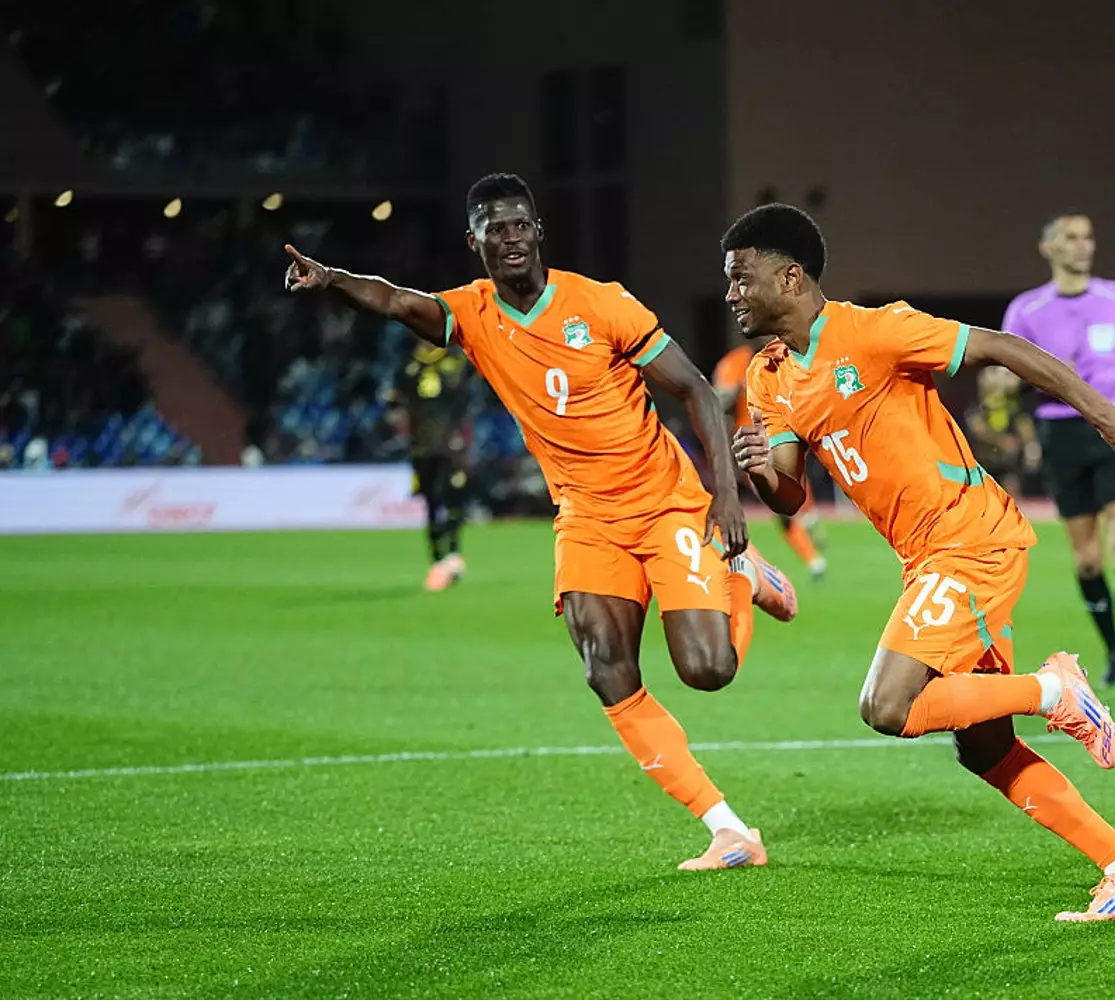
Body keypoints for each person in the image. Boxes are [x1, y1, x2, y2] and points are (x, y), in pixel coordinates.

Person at [283, 173, 798, 870]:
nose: (512, 237)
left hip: (664, 501)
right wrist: (333, 278)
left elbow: (697, 392)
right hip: (585, 517)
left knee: (708, 670)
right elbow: (399, 301)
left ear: (538, 232)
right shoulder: (471, 314)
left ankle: (742, 572)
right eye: (495, 228)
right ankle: (728, 828)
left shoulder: (601, 303)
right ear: (475, 242)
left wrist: (727, 499)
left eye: (521, 224)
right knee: (604, 667)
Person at [726, 203, 1115, 922]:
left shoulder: (874, 331)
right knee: (982, 746)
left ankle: (1052, 692)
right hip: (928, 555)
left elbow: (1000, 346)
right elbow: (788, 490)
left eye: (741, 279)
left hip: (969, 538)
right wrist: (759, 472)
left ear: (790, 276)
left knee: (887, 706)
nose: (731, 295)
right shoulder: (769, 375)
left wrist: (1103, 411)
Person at [1003, 213, 1115, 690]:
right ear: (1048, 248)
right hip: (1061, 434)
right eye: (1071, 238)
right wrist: (1005, 385)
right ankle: (1114, 651)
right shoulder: (1026, 310)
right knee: (1087, 560)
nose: (1083, 246)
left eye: (1088, 237)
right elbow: (1010, 369)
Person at [713, 344, 828, 580]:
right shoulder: (738, 361)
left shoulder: (783, 356)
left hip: (775, 438)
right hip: (763, 441)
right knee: (785, 500)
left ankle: (810, 529)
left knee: (788, 496)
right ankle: (812, 550)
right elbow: (722, 400)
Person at [392, 342, 472, 590]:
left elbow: (466, 400)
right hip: (422, 447)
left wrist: (463, 435)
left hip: (451, 445)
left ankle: (454, 553)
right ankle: (438, 560)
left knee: (452, 497)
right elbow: (396, 405)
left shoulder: (456, 361)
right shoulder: (408, 367)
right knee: (430, 501)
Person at [964, 366, 1040, 499]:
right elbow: (978, 428)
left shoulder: (1012, 406)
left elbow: (1024, 425)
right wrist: (1001, 440)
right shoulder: (979, 406)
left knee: (1010, 491)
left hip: (1007, 461)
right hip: (983, 460)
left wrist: (1031, 449)